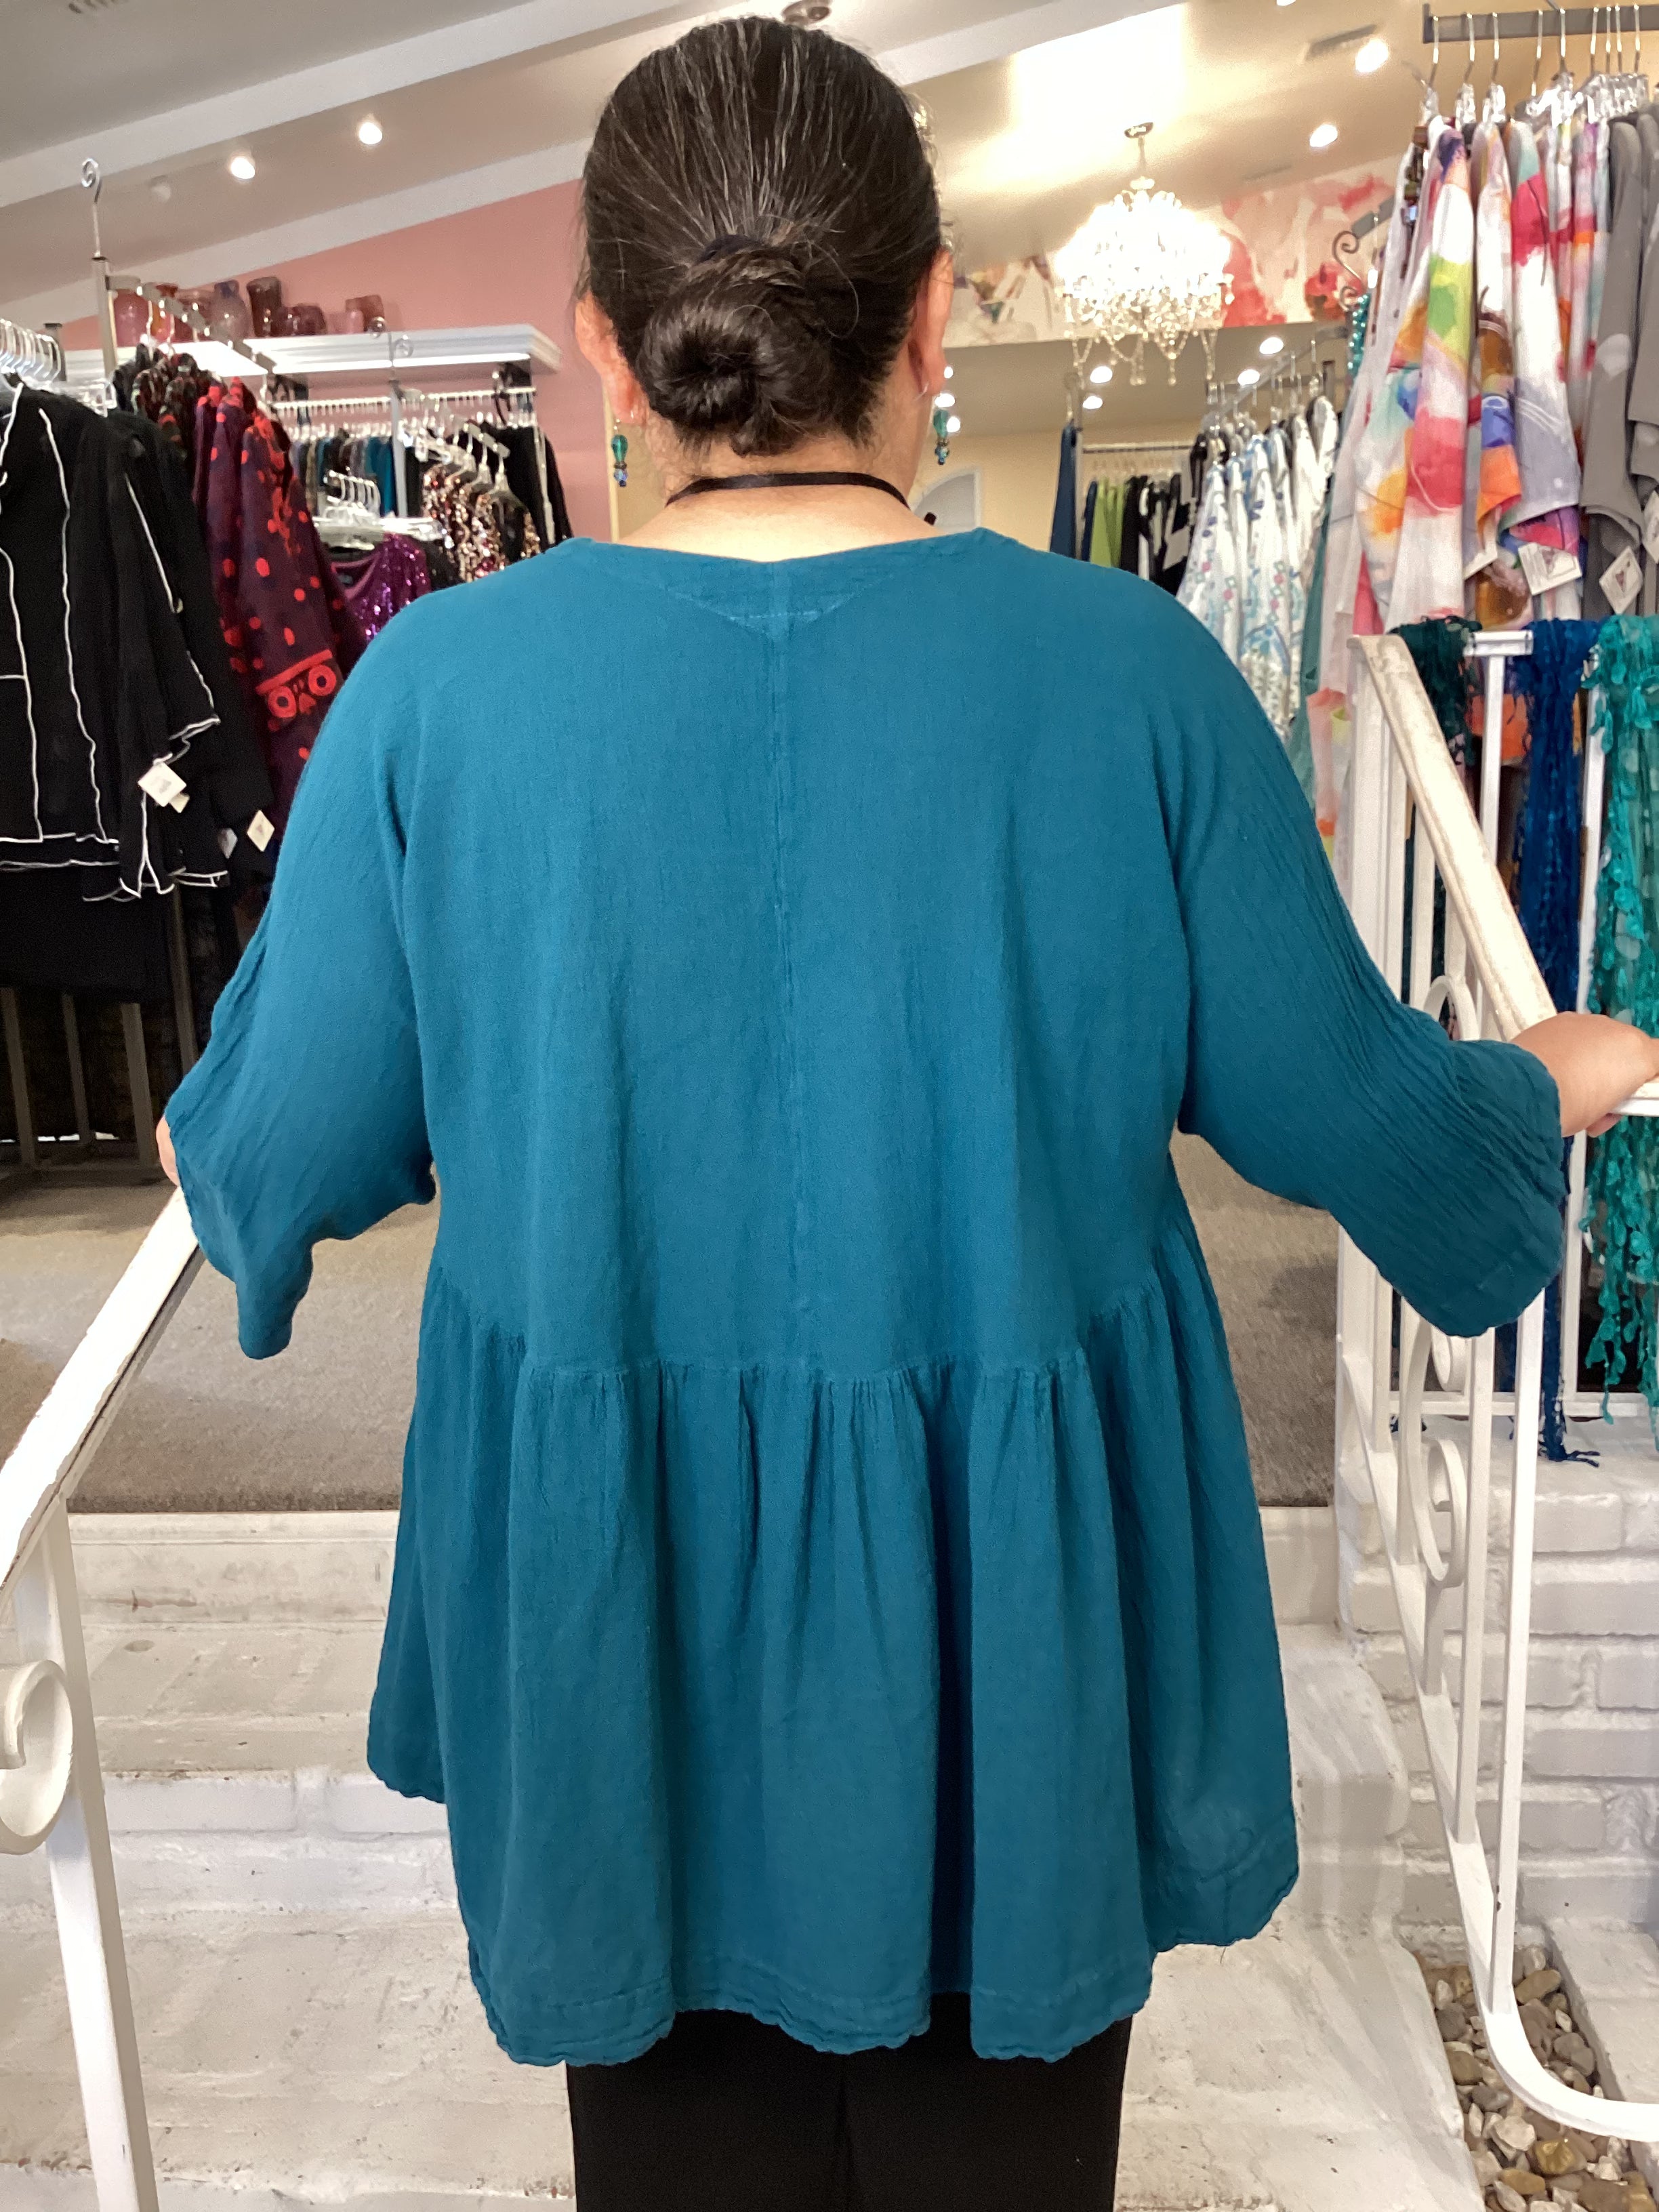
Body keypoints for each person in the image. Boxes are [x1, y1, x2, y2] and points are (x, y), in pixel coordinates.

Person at [158, 18, 1659, 2209]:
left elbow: (270, 1159)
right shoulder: (1132, 677)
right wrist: (1561, 1072)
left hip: (624, 1645)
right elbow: (1360, 1124)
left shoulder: (434, 700)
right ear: (934, 313)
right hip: (1008, 1654)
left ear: (603, 343)